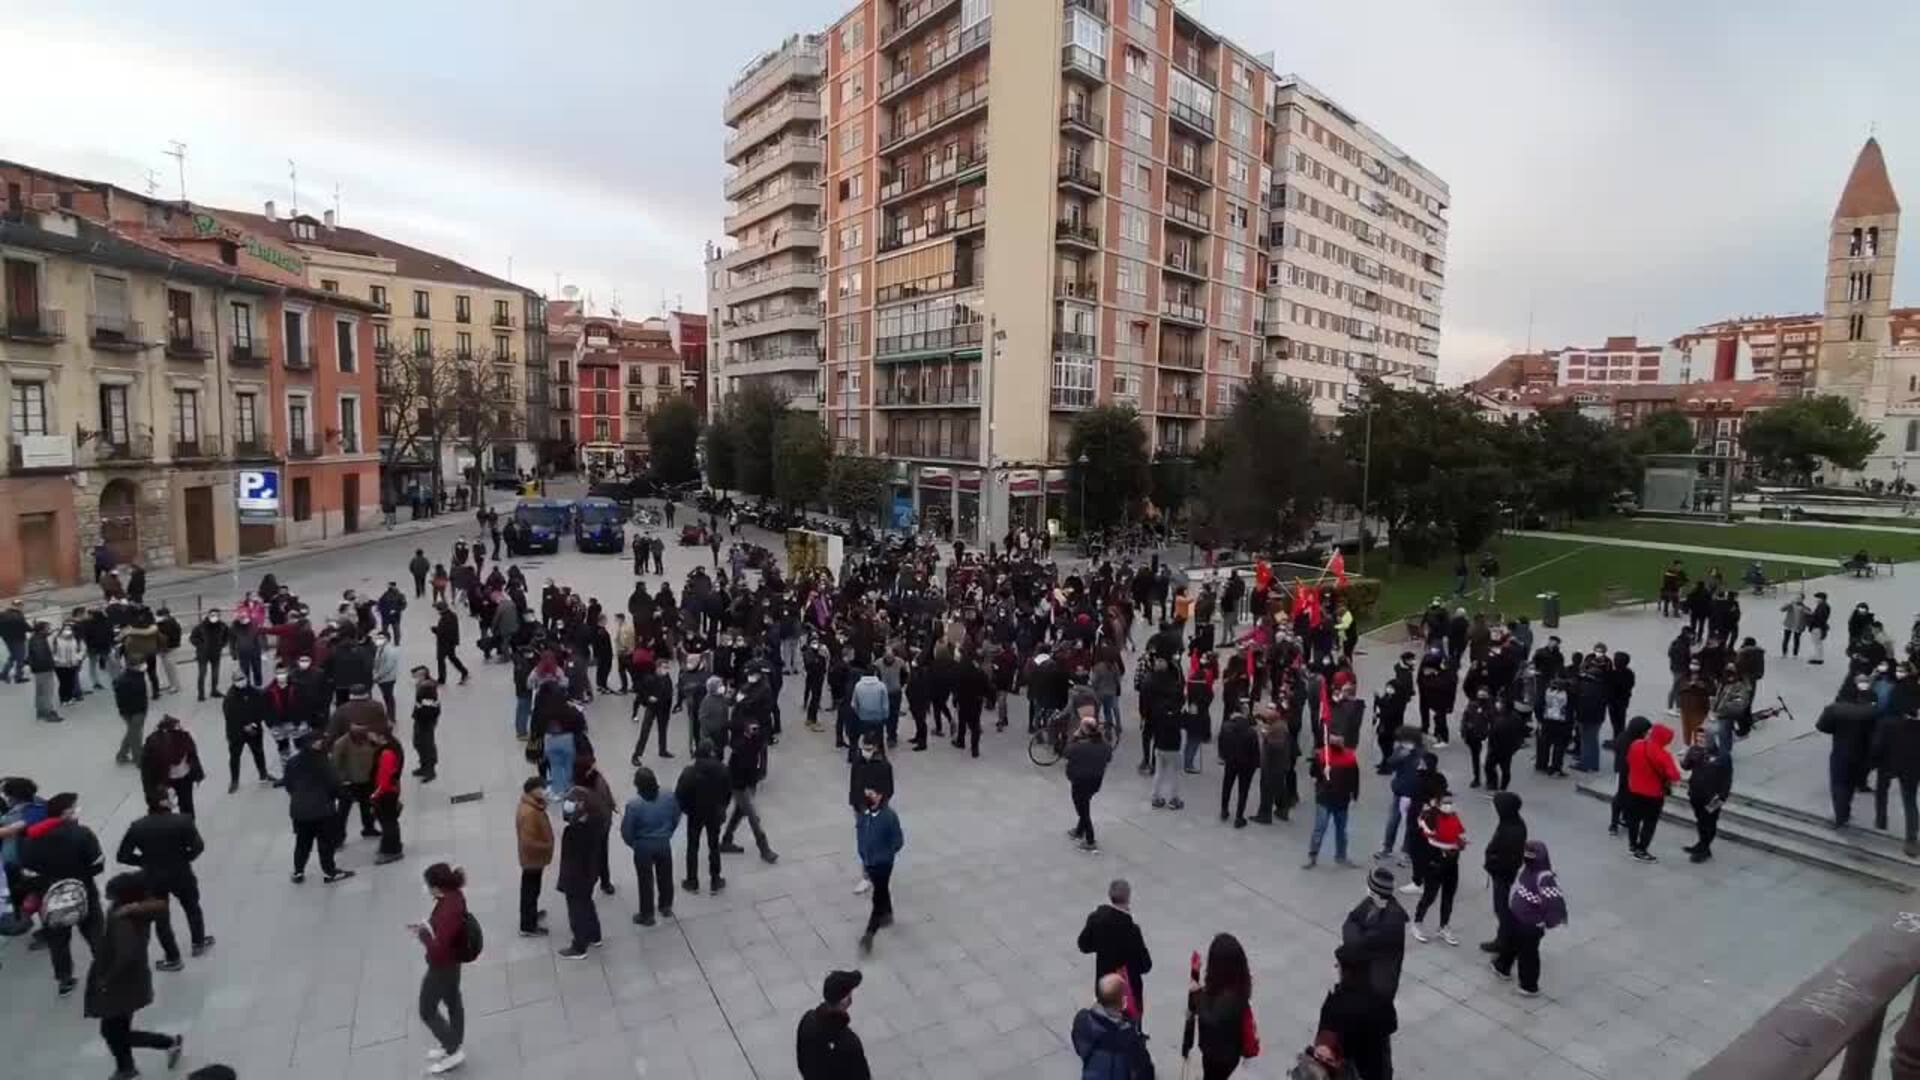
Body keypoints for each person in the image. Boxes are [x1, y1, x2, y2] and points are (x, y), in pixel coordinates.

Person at [85, 872, 185, 1080]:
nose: (107, 896)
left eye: (110, 893)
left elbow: (126, 953)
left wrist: (106, 979)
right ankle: (126, 1067)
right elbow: (159, 905)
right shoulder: (136, 910)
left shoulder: (123, 918)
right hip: (132, 980)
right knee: (116, 1028)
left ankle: (165, 1044)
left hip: (121, 983)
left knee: (113, 1031)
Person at [115, 788, 213, 970]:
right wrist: (185, 858)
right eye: (171, 797)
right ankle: (198, 942)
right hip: (181, 873)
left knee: (161, 919)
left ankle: (173, 958)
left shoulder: (138, 826)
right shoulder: (183, 821)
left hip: (153, 877)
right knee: (192, 907)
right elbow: (198, 847)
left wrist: (144, 861)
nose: (173, 798)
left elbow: (123, 855)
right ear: (162, 802)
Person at [22, 792, 105, 996]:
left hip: (50, 898)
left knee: (58, 941)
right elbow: (97, 864)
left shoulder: (32, 839)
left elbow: (28, 873)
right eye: (74, 807)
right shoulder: (82, 833)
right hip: (84, 892)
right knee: (95, 934)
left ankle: (65, 980)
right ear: (65, 812)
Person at [412, 863, 471, 1073]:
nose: (427, 889)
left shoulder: (448, 910)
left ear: (437, 887)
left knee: (426, 1009)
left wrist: (424, 935)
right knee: (453, 999)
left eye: (429, 885)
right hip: (453, 961)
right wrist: (428, 925)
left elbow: (438, 949)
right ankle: (453, 1041)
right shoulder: (453, 896)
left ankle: (453, 1049)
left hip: (442, 966)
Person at [1491, 841, 1567, 996]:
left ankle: (1529, 986)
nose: (1526, 860)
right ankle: (1502, 967)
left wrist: (1545, 922)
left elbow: (1554, 904)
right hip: (1516, 917)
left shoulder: (1545, 879)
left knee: (1528, 954)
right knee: (1510, 942)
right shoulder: (1529, 870)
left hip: (1531, 925)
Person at [1318, 943, 1398, 1080]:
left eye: (1339, 965)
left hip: (1350, 1069)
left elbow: (1325, 1040)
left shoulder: (1337, 1002)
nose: (1336, 968)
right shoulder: (1380, 996)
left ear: (1347, 971)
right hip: (1377, 1067)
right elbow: (1391, 1025)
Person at [283, 734, 353, 884]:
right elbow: (334, 785)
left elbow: (288, 785)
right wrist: (342, 796)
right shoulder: (323, 763)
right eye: (318, 741)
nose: (321, 743)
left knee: (302, 842)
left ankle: (298, 872)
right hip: (323, 811)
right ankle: (330, 872)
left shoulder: (292, 762)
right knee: (325, 843)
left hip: (299, 811)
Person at [1077, 878, 1152, 1016]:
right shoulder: (1131, 930)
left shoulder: (1096, 919)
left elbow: (1083, 945)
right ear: (1128, 898)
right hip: (1126, 990)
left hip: (1103, 985)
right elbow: (1145, 965)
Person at [1187, 932, 1253, 1080]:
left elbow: (1209, 1016)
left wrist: (1196, 993)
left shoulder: (1229, 998)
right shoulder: (1238, 985)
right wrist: (1195, 974)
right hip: (1228, 1052)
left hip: (1218, 1055)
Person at [620, 766, 680, 926]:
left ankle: (647, 915)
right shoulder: (668, 796)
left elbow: (627, 831)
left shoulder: (634, 805)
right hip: (663, 843)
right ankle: (666, 905)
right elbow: (676, 816)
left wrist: (634, 844)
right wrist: (668, 832)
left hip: (643, 846)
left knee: (645, 881)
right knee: (666, 875)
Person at [719, 712, 780, 864]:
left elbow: (762, 747)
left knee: (739, 812)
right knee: (752, 817)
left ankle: (727, 839)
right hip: (739, 785)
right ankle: (764, 848)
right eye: (751, 729)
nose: (754, 731)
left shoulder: (756, 740)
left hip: (749, 783)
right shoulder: (739, 747)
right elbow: (726, 725)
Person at [1341, 867, 1409, 1004]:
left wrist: (1355, 932)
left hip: (1377, 984)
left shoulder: (1392, 920)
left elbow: (1358, 944)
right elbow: (1350, 921)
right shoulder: (1370, 902)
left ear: (1375, 892)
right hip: (1364, 975)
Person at [1819, 678, 1879, 828]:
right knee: (1850, 784)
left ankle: (1841, 815)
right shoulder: (1872, 712)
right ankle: (1844, 811)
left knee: (1838, 784)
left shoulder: (1835, 709)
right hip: (1861, 753)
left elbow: (1822, 726)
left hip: (1840, 751)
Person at [675, 739, 733, 894]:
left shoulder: (689, 772)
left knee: (692, 846)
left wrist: (687, 810)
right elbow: (728, 793)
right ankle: (715, 879)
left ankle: (692, 881)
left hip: (695, 814)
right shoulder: (722, 769)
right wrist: (722, 807)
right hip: (714, 813)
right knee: (713, 845)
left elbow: (679, 795)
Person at [1072, 973, 1155, 1080]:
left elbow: (1079, 1046)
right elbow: (1145, 1072)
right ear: (1121, 1001)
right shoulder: (1129, 1038)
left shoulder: (1082, 1020)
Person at [1409, 794, 1465, 947]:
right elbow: (1430, 839)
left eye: (1451, 803)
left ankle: (1444, 926)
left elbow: (1458, 833)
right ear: (1438, 804)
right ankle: (1417, 923)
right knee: (1429, 896)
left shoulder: (1454, 816)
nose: (1449, 806)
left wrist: (1460, 842)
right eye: (1446, 803)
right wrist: (1451, 846)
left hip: (1452, 863)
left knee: (1449, 895)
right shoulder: (1429, 818)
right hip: (1435, 863)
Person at [795, 970, 871, 1080]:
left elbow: (802, 1062)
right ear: (845, 1001)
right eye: (850, 993)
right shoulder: (849, 1042)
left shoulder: (807, 1020)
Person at [855, 784, 904, 954]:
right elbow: (860, 834)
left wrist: (886, 854)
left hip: (883, 864)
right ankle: (888, 914)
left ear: (880, 796)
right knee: (881, 890)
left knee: (878, 898)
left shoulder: (889, 817)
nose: (867, 795)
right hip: (869, 862)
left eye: (871, 793)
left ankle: (869, 933)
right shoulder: (864, 814)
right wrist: (862, 853)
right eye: (866, 792)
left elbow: (898, 841)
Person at [1623, 722, 1681, 862]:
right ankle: (1642, 850)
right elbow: (1675, 776)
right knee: (1649, 823)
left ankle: (1632, 845)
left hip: (1633, 789)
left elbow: (1628, 760)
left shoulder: (1636, 744)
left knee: (1634, 819)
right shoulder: (1663, 755)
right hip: (1653, 795)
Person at [556, 790, 603, 960]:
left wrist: (564, 881)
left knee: (576, 910)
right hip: (589, 874)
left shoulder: (573, 833)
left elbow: (569, 860)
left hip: (576, 878)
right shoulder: (595, 825)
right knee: (587, 904)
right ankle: (594, 935)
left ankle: (579, 946)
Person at [1479, 792, 1527, 955]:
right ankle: (1506, 937)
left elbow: (1508, 858)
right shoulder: (1511, 822)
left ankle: (1505, 940)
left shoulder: (1511, 830)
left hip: (1503, 874)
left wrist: (1492, 864)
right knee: (1500, 906)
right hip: (1502, 872)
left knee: (1501, 908)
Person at [1304, 733, 1360, 868]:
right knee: (1339, 830)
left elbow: (1313, 774)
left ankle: (1314, 856)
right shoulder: (1348, 757)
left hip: (1327, 798)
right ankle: (1340, 856)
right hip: (1339, 798)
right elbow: (1355, 779)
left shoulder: (1323, 755)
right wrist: (1354, 794)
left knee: (1321, 829)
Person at [1680, 727, 1732, 863]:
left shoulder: (1723, 756)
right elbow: (1686, 767)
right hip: (1696, 793)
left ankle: (1704, 849)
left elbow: (1727, 779)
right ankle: (1702, 844)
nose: (1700, 741)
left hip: (1713, 797)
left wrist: (1722, 797)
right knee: (1700, 820)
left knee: (1709, 822)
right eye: (1697, 738)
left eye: (1703, 738)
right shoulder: (1695, 750)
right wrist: (1686, 757)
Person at [139, 715, 205, 818]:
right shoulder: (182, 738)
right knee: (184, 808)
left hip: (170, 780)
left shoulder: (156, 742)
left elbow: (192, 755)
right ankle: (186, 828)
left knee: (166, 811)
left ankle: (179, 827)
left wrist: (152, 795)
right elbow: (193, 755)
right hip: (172, 780)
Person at [1065, 716, 1113, 853]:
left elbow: (1066, 752)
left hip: (1079, 781)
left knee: (1082, 809)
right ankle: (1079, 830)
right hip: (1095, 780)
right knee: (1085, 802)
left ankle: (1090, 839)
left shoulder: (1078, 746)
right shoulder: (1104, 745)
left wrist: (1074, 738)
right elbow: (1109, 757)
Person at [512, 778, 553, 937]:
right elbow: (527, 841)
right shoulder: (529, 812)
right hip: (532, 859)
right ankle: (528, 926)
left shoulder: (532, 805)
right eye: (542, 788)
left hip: (534, 859)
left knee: (532, 889)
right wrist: (547, 846)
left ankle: (531, 915)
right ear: (533, 791)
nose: (545, 791)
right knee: (530, 890)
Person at [222, 670, 275, 791]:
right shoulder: (230, 697)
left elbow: (261, 709)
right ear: (234, 682)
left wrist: (254, 724)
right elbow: (230, 717)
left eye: (242, 679)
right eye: (238, 680)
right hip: (236, 733)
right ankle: (234, 780)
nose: (241, 682)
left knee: (259, 752)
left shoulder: (255, 692)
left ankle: (263, 774)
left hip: (254, 730)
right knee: (235, 756)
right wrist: (244, 726)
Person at [1217, 708, 1261, 828]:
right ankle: (1239, 816)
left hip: (1231, 761)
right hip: (1246, 765)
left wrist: (1223, 756)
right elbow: (1255, 752)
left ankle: (1224, 810)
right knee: (1243, 791)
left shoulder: (1226, 727)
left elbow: (1221, 743)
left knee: (1227, 785)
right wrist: (1256, 765)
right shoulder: (1251, 732)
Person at [112, 662, 150, 766]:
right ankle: (138, 759)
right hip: (138, 710)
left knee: (132, 732)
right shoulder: (137, 679)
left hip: (126, 711)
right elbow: (141, 696)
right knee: (135, 734)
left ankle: (122, 755)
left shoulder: (121, 679)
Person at [411, 667, 442, 783]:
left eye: (418, 675)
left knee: (426, 744)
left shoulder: (427, 688)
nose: (415, 678)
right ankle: (424, 765)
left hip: (425, 721)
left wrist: (423, 720)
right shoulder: (422, 685)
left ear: (424, 675)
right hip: (420, 718)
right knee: (418, 743)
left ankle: (430, 770)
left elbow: (428, 708)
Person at [190, 610, 228, 701]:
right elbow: (192, 638)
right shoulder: (200, 627)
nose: (214, 617)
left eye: (216, 615)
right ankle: (201, 694)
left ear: (219, 616)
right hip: (203, 654)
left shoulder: (223, 626)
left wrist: (222, 644)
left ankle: (214, 691)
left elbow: (227, 636)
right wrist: (201, 645)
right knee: (202, 673)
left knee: (215, 673)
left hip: (216, 653)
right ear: (208, 615)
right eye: (212, 615)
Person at [432, 601, 470, 686]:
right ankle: (464, 671)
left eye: (438, 609)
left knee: (441, 659)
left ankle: (442, 678)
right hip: (451, 641)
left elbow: (443, 631)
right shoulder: (452, 615)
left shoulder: (446, 618)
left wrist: (435, 630)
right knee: (452, 657)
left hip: (445, 642)